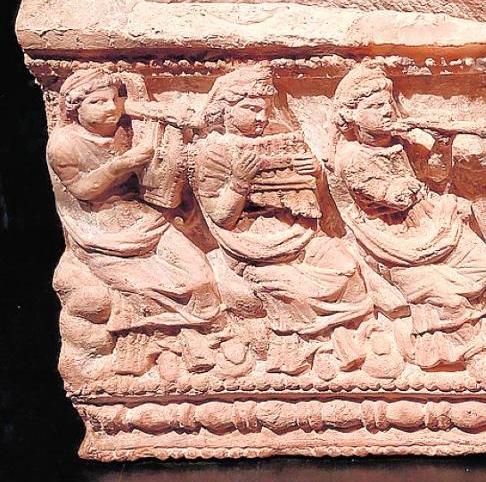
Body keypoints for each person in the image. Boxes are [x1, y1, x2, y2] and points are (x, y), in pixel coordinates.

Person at [190, 64, 373, 378]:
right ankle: (311, 348)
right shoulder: (212, 152)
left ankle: (348, 336)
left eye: (265, 110)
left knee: (348, 268)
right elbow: (220, 217)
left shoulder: (280, 139)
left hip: (298, 232)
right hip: (252, 245)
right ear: (225, 110)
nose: (261, 117)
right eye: (251, 109)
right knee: (294, 290)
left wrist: (314, 174)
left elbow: (314, 204)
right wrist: (240, 181)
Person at [330, 64, 486, 371]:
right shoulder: (352, 159)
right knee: (443, 294)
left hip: (432, 223)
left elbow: (435, 177)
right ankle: (469, 352)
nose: (386, 111)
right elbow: (395, 198)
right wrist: (418, 188)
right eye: (374, 106)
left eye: (388, 103)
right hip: (394, 240)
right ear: (351, 115)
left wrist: (442, 142)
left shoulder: (400, 142)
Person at [47, 68, 221, 377]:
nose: (110, 108)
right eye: (97, 102)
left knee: (201, 278)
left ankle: (194, 332)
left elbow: (133, 106)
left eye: (113, 99)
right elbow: (83, 189)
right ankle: (163, 341)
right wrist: (122, 165)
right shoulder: (64, 145)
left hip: (145, 218)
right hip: (101, 229)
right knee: (147, 285)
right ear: (74, 109)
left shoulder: (119, 118)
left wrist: (166, 112)